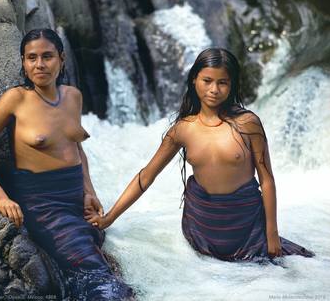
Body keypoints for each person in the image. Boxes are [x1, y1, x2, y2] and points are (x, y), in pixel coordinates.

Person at [86, 48, 314, 262]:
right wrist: (109, 218)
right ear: (194, 80)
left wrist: (272, 232)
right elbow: (146, 177)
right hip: (202, 228)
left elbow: (267, 179)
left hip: (247, 227)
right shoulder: (183, 129)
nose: (214, 89)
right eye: (207, 81)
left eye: (222, 83)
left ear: (232, 85)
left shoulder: (248, 124)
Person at [0, 28, 133, 300]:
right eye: (31, 57)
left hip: (75, 199)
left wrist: (88, 191)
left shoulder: (72, 96)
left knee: (94, 263)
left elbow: (76, 146)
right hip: (43, 206)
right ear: (23, 62)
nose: (39, 64)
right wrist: (0, 198)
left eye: (47, 56)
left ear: (62, 59)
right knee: (98, 276)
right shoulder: (16, 99)